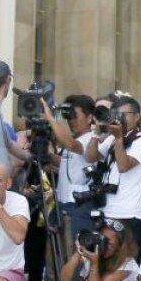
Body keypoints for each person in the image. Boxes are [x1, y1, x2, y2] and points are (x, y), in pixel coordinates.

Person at [91, 95, 141, 250]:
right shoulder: (111, 139)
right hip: (106, 210)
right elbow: (91, 157)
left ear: (137, 116)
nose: (119, 119)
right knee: (105, 256)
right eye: (115, 114)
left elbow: (123, 166)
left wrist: (119, 138)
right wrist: (96, 134)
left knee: (127, 258)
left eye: (123, 115)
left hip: (128, 213)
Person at [44, 94, 98, 237]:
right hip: (62, 202)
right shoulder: (74, 139)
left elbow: (73, 146)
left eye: (75, 116)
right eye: (68, 116)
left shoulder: (93, 139)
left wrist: (51, 119)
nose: (71, 121)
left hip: (79, 205)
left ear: (89, 117)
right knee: (59, 248)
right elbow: (68, 163)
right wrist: (47, 155)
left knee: (76, 246)